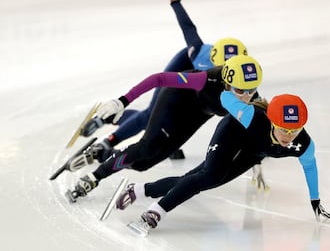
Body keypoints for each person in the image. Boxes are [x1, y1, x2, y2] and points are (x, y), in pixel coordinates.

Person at [76, 0, 248, 162]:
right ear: (213, 61)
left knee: (174, 117)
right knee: (153, 112)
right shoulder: (198, 51)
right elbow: (188, 28)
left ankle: (108, 119)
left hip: (197, 83)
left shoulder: (239, 73)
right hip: (184, 67)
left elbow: (249, 107)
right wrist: (175, 3)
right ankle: (109, 140)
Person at [114, 93, 330, 232]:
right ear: (271, 121)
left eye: (294, 130)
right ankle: (155, 212)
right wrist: (242, 98)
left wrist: (315, 201)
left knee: (200, 180)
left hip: (253, 152)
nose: (289, 136)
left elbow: (310, 168)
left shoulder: (304, 145)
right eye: (283, 129)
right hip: (232, 132)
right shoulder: (250, 116)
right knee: (208, 176)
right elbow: (224, 98)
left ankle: (140, 190)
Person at [66, 54, 265, 202]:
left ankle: (103, 154)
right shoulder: (205, 79)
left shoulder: (249, 95)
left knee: (144, 164)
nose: (246, 97)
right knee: (147, 147)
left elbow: (251, 128)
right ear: (226, 81)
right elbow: (159, 79)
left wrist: (255, 161)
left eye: (252, 90)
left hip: (198, 114)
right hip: (177, 99)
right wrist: (123, 101)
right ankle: (94, 177)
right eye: (239, 91)